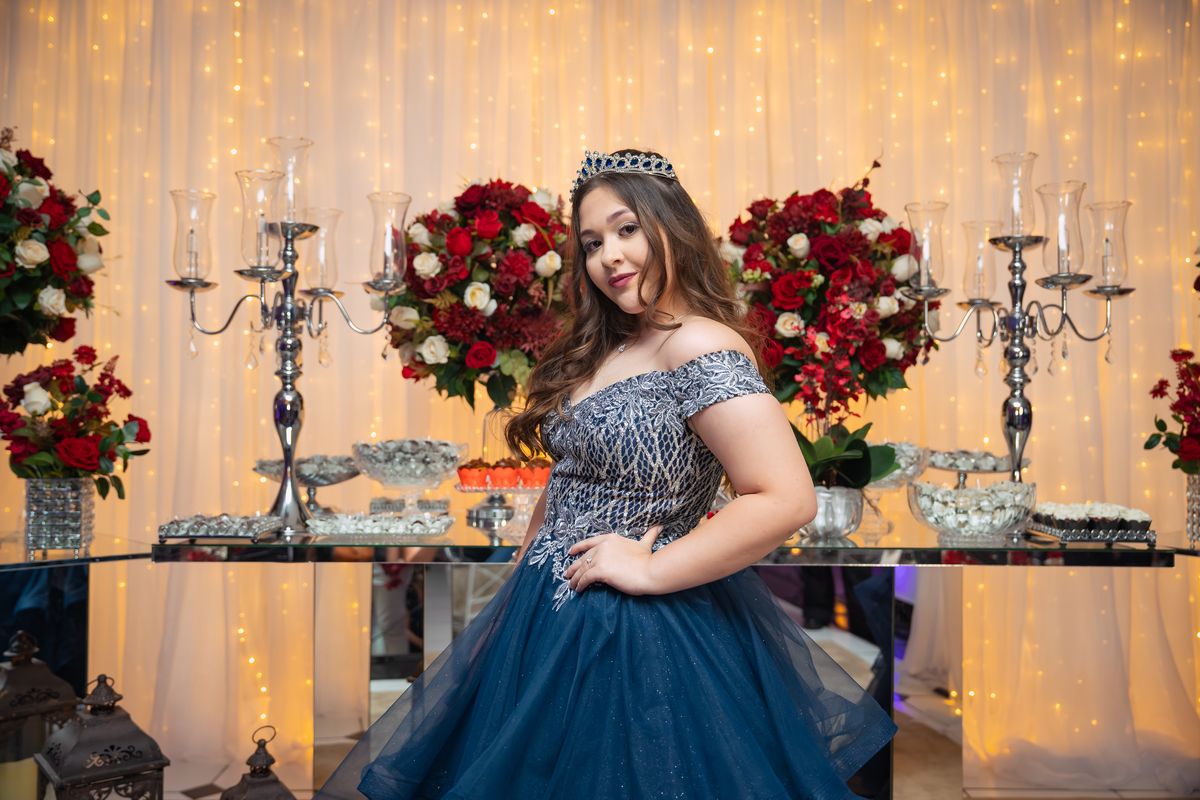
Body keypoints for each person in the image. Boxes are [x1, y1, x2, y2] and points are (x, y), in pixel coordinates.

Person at [317, 149, 896, 800]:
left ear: (672, 227)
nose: (609, 256)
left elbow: (786, 497)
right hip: (545, 612)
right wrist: (522, 578)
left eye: (627, 230)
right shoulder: (607, 346)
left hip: (634, 631)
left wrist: (650, 570)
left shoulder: (698, 343)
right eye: (592, 243)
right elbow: (572, 474)